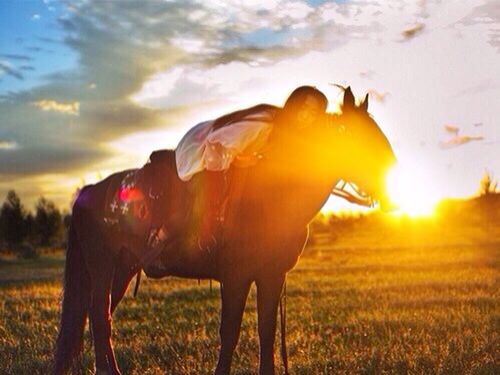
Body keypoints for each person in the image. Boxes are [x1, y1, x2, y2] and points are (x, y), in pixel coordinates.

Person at [146, 86, 329, 255]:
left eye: (314, 112)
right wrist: (219, 183)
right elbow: (216, 143)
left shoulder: (290, 133)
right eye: (304, 108)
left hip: (232, 152)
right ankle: (164, 236)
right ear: (293, 105)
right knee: (206, 198)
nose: (308, 115)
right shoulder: (262, 124)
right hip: (201, 148)